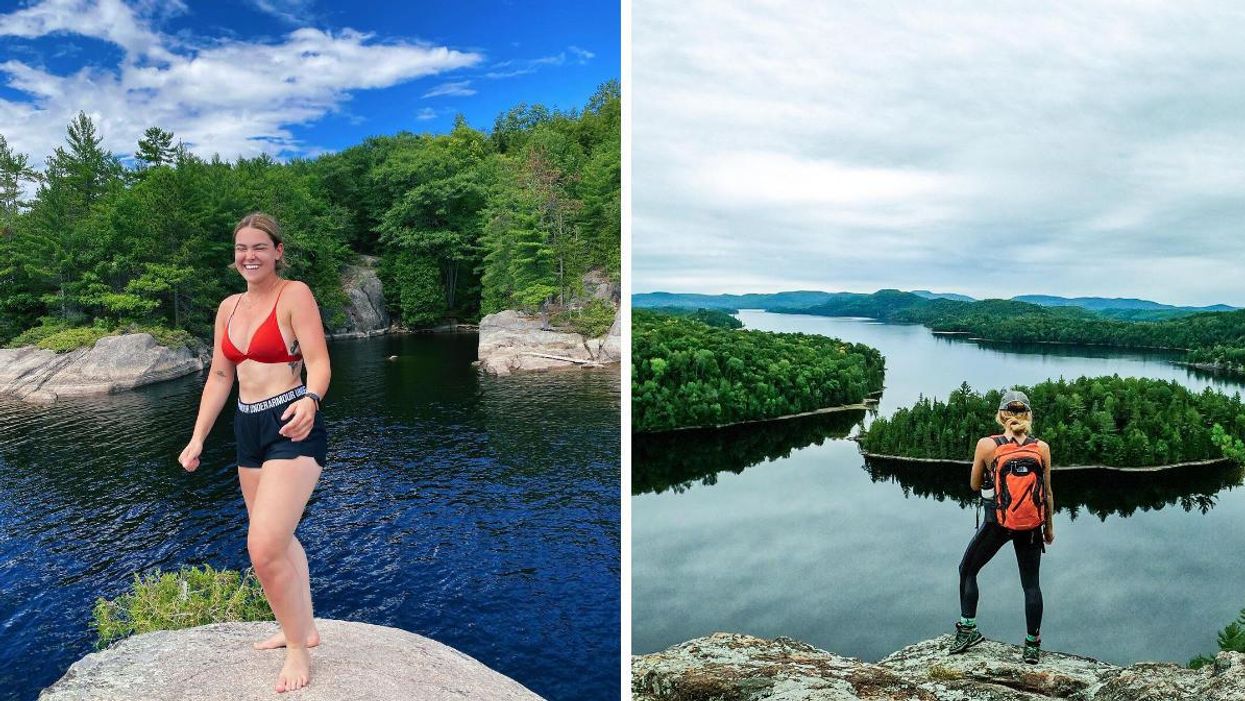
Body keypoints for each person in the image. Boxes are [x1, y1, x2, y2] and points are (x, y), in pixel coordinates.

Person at [178, 212, 330, 693]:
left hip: (291, 419)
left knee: (262, 548)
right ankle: (302, 625)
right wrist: (199, 436)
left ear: (277, 251)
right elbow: (221, 376)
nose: (250, 256)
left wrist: (311, 398)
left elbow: (321, 362)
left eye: (259, 247)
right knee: (278, 539)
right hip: (247, 427)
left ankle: (297, 649)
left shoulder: (295, 295)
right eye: (242, 248)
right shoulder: (227, 307)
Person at [949, 390, 1054, 664]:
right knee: (1031, 585)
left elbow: (974, 485)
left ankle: (967, 629)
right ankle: (1032, 645)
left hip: (997, 522)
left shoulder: (987, 445)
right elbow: (1048, 492)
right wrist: (1049, 528)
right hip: (1031, 525)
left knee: (968, 570)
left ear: (1001, 415)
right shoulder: (1040, 448)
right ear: (1028, 415)